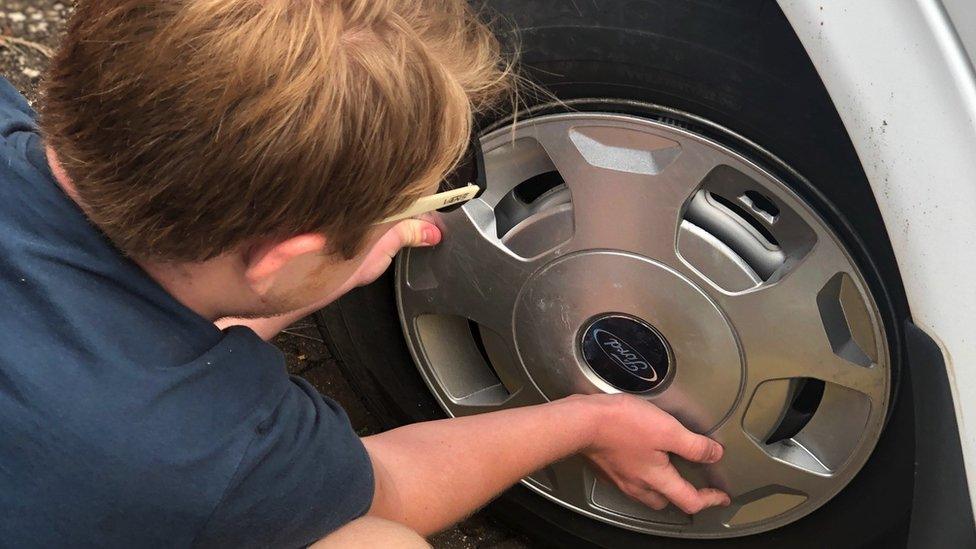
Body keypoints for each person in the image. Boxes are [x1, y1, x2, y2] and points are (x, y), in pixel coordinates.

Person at [0, 0, 730, 547]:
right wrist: (586, 418)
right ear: (287, 256)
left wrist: (320, 273)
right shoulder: (208, 451)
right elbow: (394, 488)